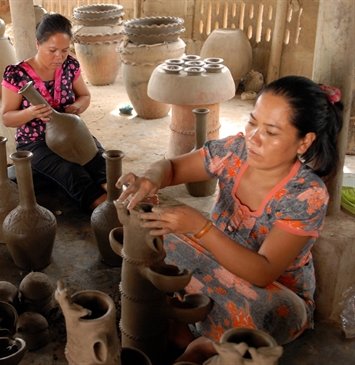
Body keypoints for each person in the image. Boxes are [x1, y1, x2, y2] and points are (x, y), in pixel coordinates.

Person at [116, 76, 343, 364]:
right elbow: (172, 168)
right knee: (150, 237)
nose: (253, 137)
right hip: (212, 259)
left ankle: (201, 341)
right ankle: (186, 324)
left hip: (264, 290)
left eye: (271, 132)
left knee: (274, 314)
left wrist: (200, 227)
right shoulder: (235, 151)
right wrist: (151, 179)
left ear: (304, 141)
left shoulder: (305, 194)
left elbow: (263, 272)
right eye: (252, 122)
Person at [1, 13, 107, 211]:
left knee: (100, 160)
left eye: (65, 50)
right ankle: (109, 213)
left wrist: (76, 108)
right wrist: (31, 113)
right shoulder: (16, 74)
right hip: (35, 142)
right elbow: (7, 118)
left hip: (71, 133)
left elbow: (84, 96)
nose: (59, 56)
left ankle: (126, 199)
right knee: (71, 172)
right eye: (52, 50)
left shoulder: (70, 66)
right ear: (37, 44)